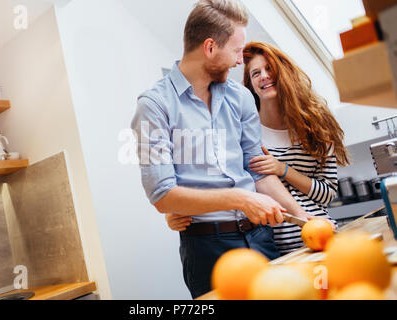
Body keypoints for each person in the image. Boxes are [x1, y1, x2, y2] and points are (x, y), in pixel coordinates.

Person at [131, 0, 312, 299]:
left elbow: (258, 172)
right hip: (207, 250)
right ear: (210, 47)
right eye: (236, 51)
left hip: (261, 237)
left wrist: (304, 217)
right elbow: (163, 197)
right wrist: (242, 198)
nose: (240, 61)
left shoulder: (240, 98)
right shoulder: (154, 106)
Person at [167, 42, 348, 256]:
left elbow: (327, 194)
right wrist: (174, 209)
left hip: (320, 233)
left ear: (284, 73)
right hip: (269, 245)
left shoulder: (317, 127)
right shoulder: (244, 131)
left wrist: (283, 170)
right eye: (255, 73)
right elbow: (212, 176)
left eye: (269, 69)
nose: (263, 76)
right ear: (250, 85)